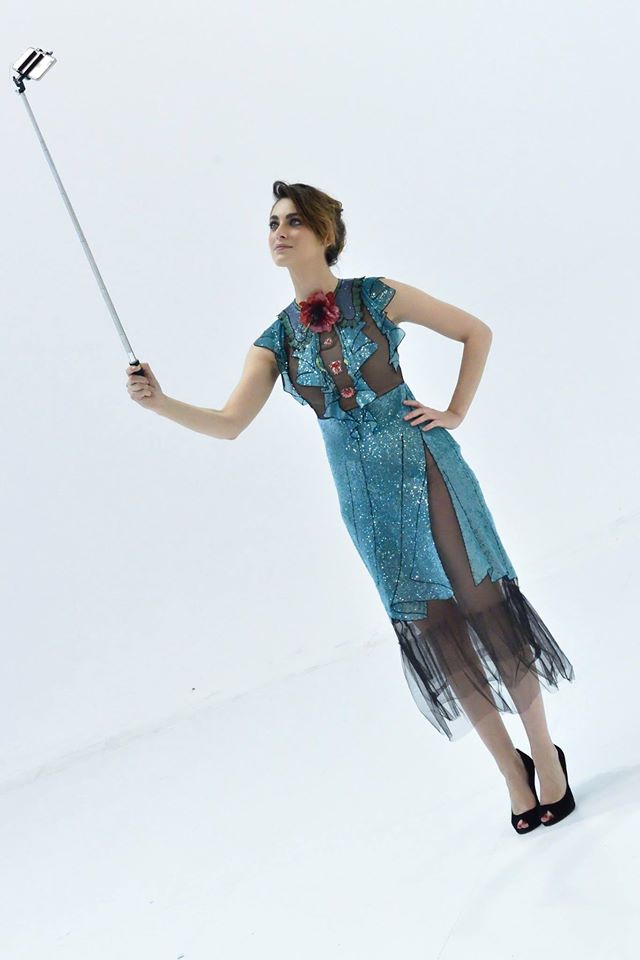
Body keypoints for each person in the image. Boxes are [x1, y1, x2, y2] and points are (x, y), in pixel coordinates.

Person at [126, 180, 577, 834]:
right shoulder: (274, 341)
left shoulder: (376, 295)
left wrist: (454, 412)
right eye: (273, 223)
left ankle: (545, 756)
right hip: (366, 502)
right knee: (436, 627)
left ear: (325, 233)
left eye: (293, 221)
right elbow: (229, 424)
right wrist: (161, 403)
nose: (279, 233)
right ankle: (511, 771)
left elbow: (474, 331)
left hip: (430, 469)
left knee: (484, 605)